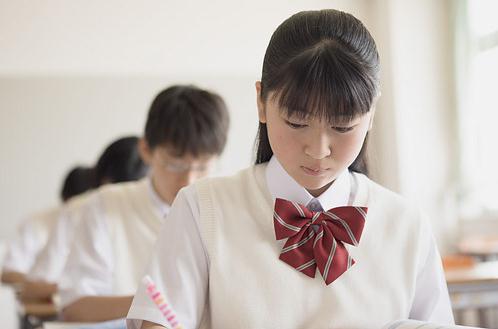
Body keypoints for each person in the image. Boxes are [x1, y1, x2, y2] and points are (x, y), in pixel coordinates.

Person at [126, 10, 454, 329]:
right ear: (261, 102)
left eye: (342, 127)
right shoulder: (204, 208)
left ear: (371, 113)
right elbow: (159, 321)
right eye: (297, 122)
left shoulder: (406, 224)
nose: (318, 149)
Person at [57, 85, 230, 323]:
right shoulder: (105, 206)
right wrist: (155, 305)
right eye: (174, 164)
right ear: (146, 150)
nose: (188, 180)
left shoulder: (227, 209)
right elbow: (75, 306)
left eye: (202, 167)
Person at [23, 136, 149, 301]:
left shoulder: (165, 213)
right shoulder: (78, 210)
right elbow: (37, 284)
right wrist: (71, 289)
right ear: (105, 181)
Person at [1, 165, 95, 286]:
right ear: (65, 198)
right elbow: (8, 273)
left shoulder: (98, 228)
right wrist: (51, 287)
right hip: (41, 299)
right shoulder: (35, 224)